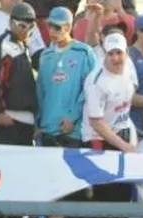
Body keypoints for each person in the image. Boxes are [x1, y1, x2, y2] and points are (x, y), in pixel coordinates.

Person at [35, 7, 95, 147]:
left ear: (68, 27)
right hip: (47, 129)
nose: (51, 32)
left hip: (72, 131)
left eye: (57, 27)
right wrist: (39, 121)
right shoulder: (45, 55)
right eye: (49, 26)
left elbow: (89, 89)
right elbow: (40, 91)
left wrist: (72, 117)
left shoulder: (84, 53)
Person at [0, 2, 38, 145]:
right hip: (7, 119)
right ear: (11, 23)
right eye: (22, 26)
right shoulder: (0, 46)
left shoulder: (23, 46)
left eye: (31, 27)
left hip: (25, 120)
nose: (26, 31)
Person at [82, 32, 137, 152]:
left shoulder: (129, 66)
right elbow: (96, 123)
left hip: (121, 128)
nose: (115, 58)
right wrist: (124, 146)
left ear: (126, 52)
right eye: (110, 53)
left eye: (119, 52)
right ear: (104, 54)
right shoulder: (96, 83)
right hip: (98, 137)